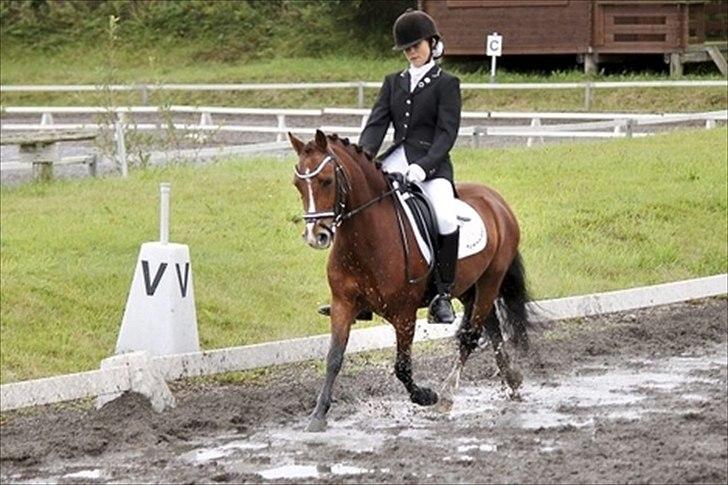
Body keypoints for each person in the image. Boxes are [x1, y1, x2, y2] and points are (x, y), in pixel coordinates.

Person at [358, 9, 462, 324]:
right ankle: (361, 291)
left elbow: (447, 134)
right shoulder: (393, 83)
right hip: (396, 159)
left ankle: (442, 296)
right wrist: (361, 159)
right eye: (407, 48)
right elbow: (376, 125)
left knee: (444, 215)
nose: (411, 52)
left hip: (431, 164)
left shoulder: (447, 83)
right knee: (362, 208)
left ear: (432, 43)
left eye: (416, 45)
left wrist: (424, 167)